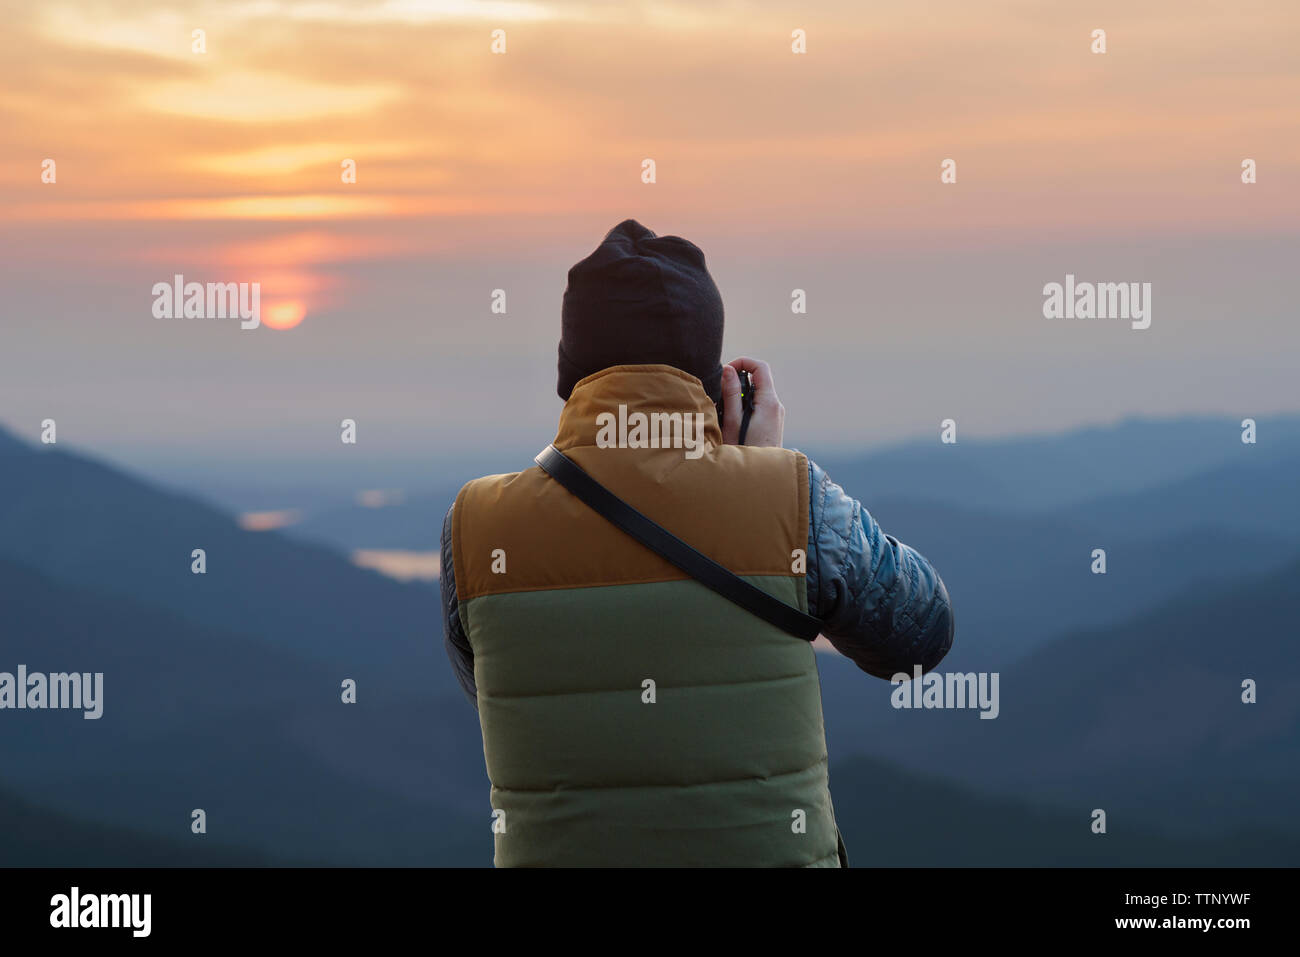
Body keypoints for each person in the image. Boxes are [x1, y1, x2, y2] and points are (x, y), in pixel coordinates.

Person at [440, 219, 953, 866]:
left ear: (570, 375)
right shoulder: (795, 497)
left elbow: (510, 693)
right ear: (718, 384)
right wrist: (759, 475)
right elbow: (922, 633)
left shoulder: (475, 525)